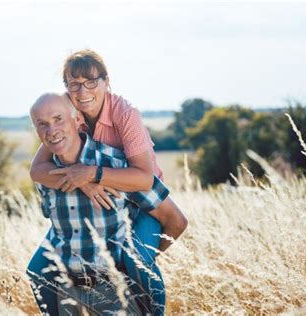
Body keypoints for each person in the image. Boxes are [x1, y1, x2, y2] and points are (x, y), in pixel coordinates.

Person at [29, 50, 188, 313]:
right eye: (74, 84)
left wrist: (91, 173)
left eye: (91, 81)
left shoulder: (125, 114)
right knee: (38, 269)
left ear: (106, 81)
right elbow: (38, 170)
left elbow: (144, 178)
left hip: (140, 196)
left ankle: (151, 308)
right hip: (94, 196)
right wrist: (83, 182)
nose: (82, 91)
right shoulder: (67, 113)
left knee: (134, 262)